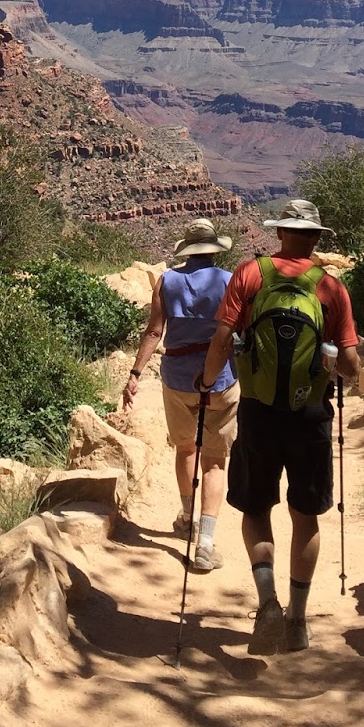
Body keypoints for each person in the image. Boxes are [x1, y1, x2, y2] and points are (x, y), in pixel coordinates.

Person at [197, 198, 360, 652]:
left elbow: (223, 339)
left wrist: (208, 382)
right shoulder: (331, 289)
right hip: (310, 415)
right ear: (315, 238)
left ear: (280, 233)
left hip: (258, 410)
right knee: (305, 517)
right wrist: (335, 360)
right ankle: (299, 621)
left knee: (255, 509)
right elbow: (350, 367)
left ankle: (268, 602)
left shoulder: (249, 276)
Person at [122, 218, 239, 572]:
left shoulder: (167, 280)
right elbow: (239, 332)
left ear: (186, 250)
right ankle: (205, 544)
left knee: (186, 447)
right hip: (220, 379)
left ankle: (186, 517)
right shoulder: (229, 281)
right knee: (215, 460)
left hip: (176, 378)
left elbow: (154, 331)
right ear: (215, 248)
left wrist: (135, 373)